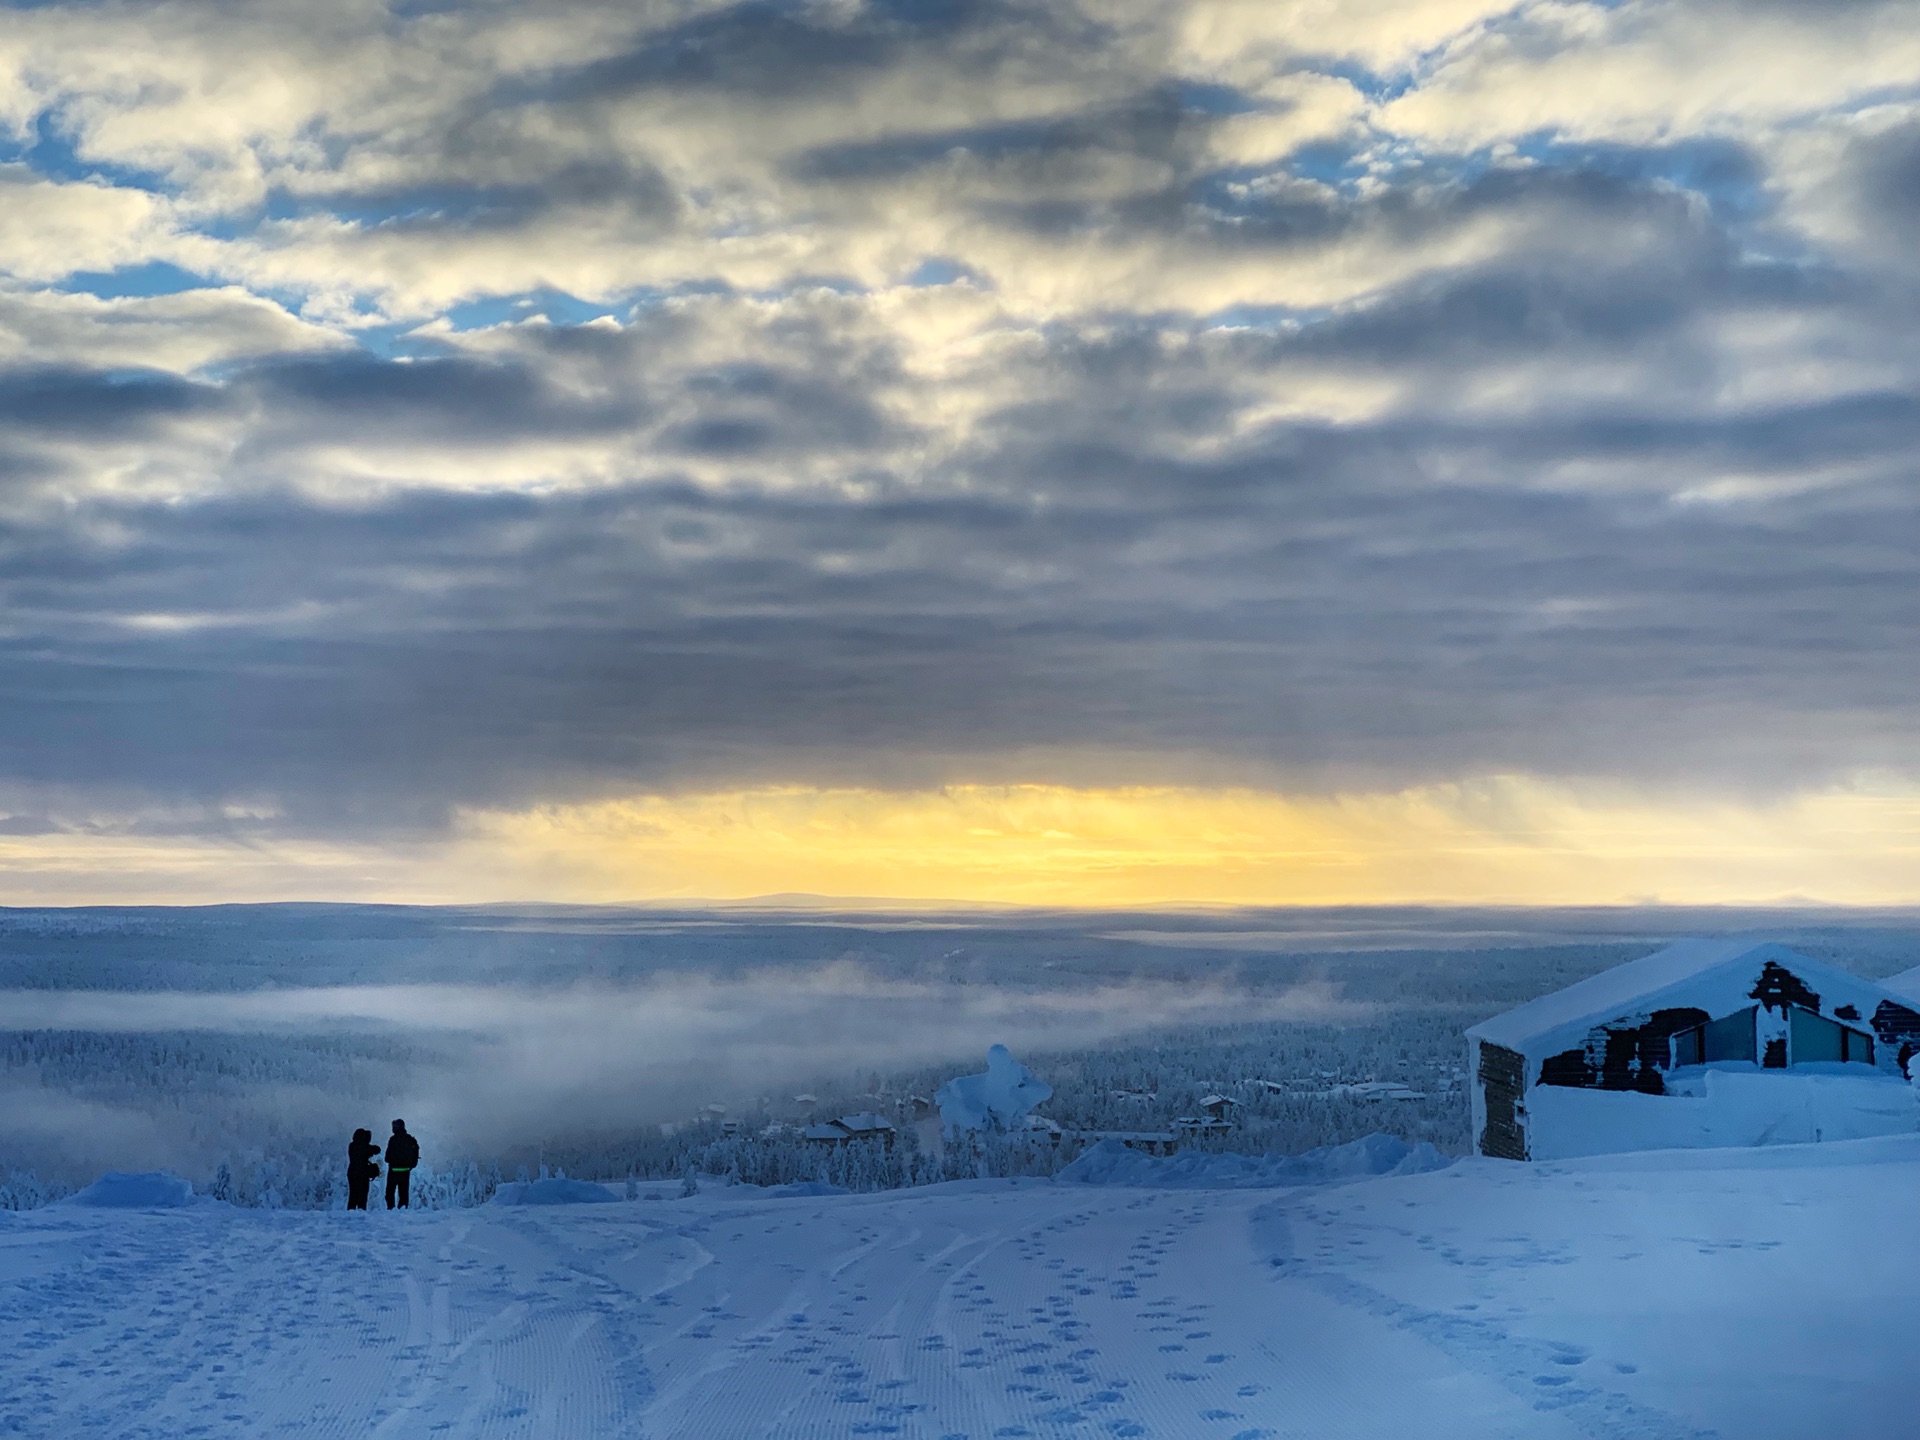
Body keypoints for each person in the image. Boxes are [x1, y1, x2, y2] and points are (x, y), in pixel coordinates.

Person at [385, 1118, 420, 1209]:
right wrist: (411, 1165)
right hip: (405, 1170)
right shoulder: (410, 1139)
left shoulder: (393, 1139)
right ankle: (403, 1210)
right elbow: (415, 1153)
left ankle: (391, 1209)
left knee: (390, 1192)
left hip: (393, 1170)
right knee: (404, 1193)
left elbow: (387, 1157)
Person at [346, 1127, 381, 1211]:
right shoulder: (364, 1147)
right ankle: (361, 1212)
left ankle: (351, 1212)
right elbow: (377, 1149)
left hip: (352, 1172)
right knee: (363, 1196)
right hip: (363, 1173)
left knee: (353, 1195)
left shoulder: (352, 1145)